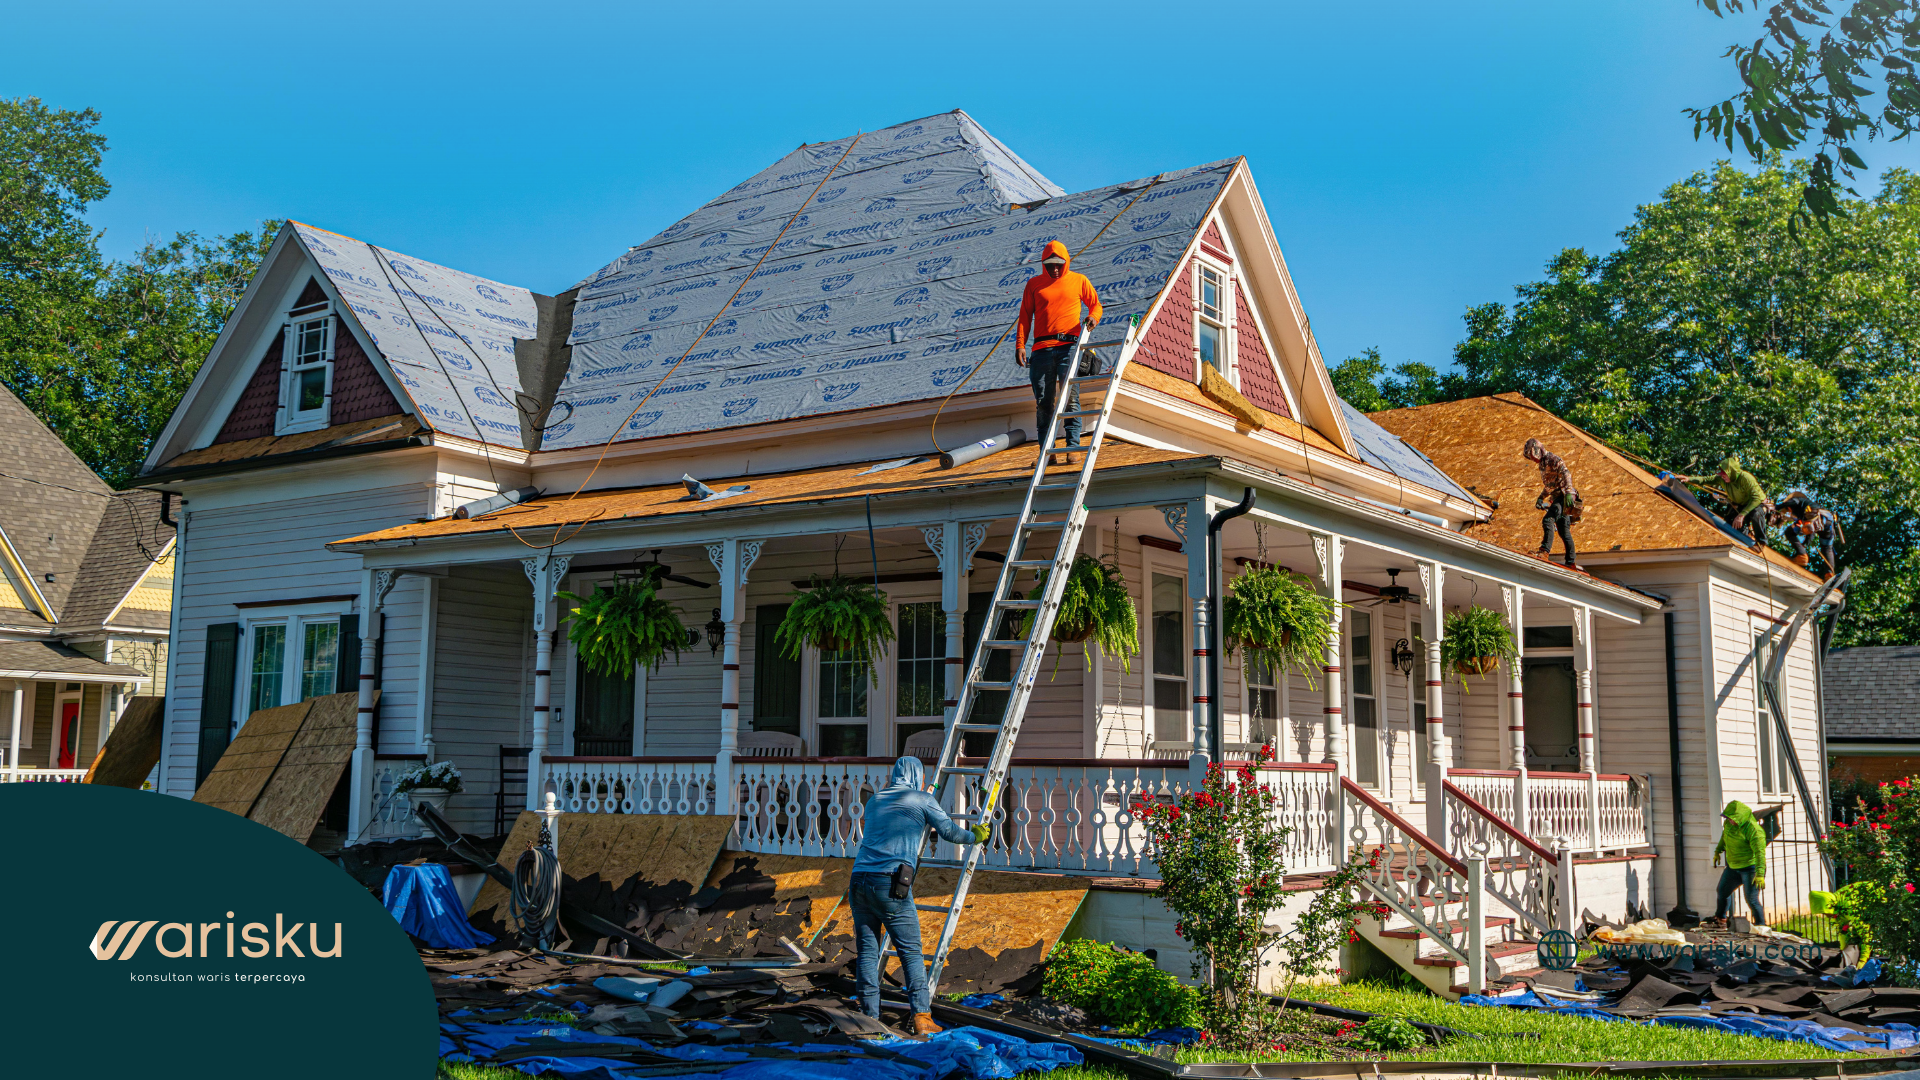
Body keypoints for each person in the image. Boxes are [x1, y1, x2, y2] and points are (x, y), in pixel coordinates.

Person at [848, 755, 990, 1035]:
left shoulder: (876, 800)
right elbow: (949, 831)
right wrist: (975, 835)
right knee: (911, 952)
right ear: (916, 776)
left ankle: (869, 1018)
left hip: (858, 879)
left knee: (867, 951)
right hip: (889, 883)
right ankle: (923, 1019)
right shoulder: (922, 799)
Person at [1014, 240, 1102, 449]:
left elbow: (1096, 305)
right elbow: (1025, 316)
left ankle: (1072, 446)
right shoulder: (1034, 284)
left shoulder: (1079, 280)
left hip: (1068, 347)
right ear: (1043, 264)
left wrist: (1092, 318)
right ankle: (1047, 450)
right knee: (1044, 402)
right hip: (1041, 350)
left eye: (1058, 264)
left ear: (1066, 262)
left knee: (1070, 398)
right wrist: (1020, 345)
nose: (1054, 269)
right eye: (1049, 265)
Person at [1522, 438, 1580, 567]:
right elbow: (1549, 485)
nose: (1533, 459)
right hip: (1556, 497)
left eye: (1532, 455)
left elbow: (1566, 474)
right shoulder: (1542, 465)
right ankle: (1571, 562)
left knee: (1548, 520)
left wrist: (1569, 493)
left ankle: (1544, 551)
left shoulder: (1553, 459)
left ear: (1538, 450)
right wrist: (1541, 497)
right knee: (1563, 531)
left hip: (1563, 497)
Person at [1711, 800, 1768, 926]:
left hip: (1750, 868)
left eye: (1734, 818)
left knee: (1751, 899)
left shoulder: (1754, 830)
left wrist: (1759, 874)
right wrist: (1718, 851)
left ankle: (1761, 926)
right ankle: (1721, 919)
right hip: (1733, 867)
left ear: (1741, 817)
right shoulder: (1729, 824)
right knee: (1722, 892)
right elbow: (1724, 837)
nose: (1731, 821)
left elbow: (1760, 853)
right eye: (1729, 818)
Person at [1776, 490, 1844, 579]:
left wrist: (1776, 507)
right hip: (1828, 522)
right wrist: (1804, 546)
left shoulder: (1796, 500)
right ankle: (1829, 574)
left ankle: (1801, 556)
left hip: (1814, 517)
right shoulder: (1804, 510)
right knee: (1827, 548)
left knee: (1789, 531)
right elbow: (1811, 534)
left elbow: (1793, 502)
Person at [1716, 456, 1770, 547]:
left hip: (1755, 505)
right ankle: (1742, 539)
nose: (1722, 476)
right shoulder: (1727, 481)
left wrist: (1741, 515)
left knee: (1756, 513)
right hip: (1741, 506)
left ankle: (1761, 542)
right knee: (1730, 523)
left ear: (1730, 472)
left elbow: (1756, 499)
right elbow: (1706, 479)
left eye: (1724, 474)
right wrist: (1689, 479)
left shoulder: (1746, 478)